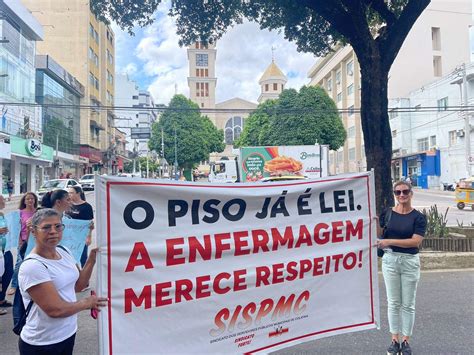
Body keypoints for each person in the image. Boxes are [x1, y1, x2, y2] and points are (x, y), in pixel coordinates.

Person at [18, 208, 107, 354]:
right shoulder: (32, 266)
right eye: (46, 227)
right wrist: (87, 303)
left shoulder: (64, 251)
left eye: (58, 226)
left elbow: (79, 285)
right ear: (34, 231)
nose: (53, 231)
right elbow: (55, 310)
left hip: (67, 334)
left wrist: (91, 259)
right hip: (42, 343)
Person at [377, 181, 426, 355]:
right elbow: (379, 235)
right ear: (394, 194)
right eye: (397, 192)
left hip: (410, 262)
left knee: (408, 304)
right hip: (390, 261)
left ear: (411, 193)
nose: (401, 195)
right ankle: (394, 340)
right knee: (393, 303)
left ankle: (406, 341)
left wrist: (389, 242)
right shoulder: (387, 213)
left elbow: (415, 241)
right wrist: (374, 222)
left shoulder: (418, 217)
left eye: (405, 191)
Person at [7, 192, 38, 296]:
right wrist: (20, 240)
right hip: (24, 241)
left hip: (36, 241)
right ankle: (14, 285)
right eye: (28, 199)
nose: (30, 201)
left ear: (35, 200)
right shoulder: (20, 213)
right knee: (19, 263)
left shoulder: (38, 212)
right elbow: (16, 228)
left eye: (32, 199)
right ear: (24, 201)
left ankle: (32, 284)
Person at [67, 186, 94, 268]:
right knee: (69, 258)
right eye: (69, 193)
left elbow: (90, 224)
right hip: (69, 237)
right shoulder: (68, 205)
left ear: (78, 193)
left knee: (83, 258)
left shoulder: (86, 206)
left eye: (71, 193)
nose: (69, 195)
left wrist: (89, 237)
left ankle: (84, 278)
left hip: (81, 237)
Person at [0, 195, 12, 314]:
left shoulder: (2, 215)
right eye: (2, 200)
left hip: (6, 248)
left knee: (8, 273)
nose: (4, 202)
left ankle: (1, 298)